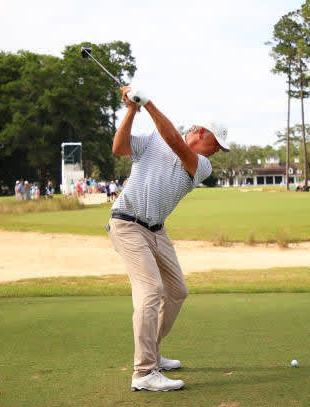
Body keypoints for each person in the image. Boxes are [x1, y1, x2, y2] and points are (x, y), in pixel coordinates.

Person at [106, 86, 229, 392]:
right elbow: (119, 147)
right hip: (127, 224)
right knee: (150, 291)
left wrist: (148, 103)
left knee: (176, 291)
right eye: (217, 143)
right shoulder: (153, 140)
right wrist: (132, 110)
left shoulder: (202, 166)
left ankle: (153, 353)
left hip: (156, 229)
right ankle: (144, 371)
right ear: (201, 132)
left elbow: (175, 141)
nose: (218, 151)